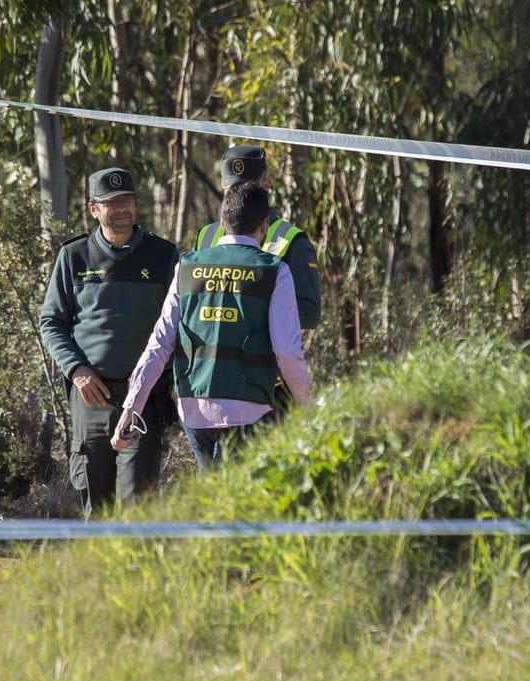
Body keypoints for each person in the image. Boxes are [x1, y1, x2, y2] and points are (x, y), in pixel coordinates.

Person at [112, 181, 311, 469]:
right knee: (240, 504)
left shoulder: (187, 266)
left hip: (195, 409)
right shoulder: (275, 271)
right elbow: (286, 352)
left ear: (222, 223)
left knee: (213, 500)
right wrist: (307, 405)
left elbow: (159, 344)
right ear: (264, 225)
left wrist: (131, 407)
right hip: (249, 408)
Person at [39, 167, 179, 512]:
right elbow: (51, 322)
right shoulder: (74, 257)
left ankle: (133, 568)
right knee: (95, 505)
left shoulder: (163, 256)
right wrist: (77, 370)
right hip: (91, 400)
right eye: (111, 202)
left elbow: (180, 324)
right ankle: (94, 568)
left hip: (144, 399)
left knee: (137, 503)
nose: (121, 209)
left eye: (127, 200)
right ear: (93, 209)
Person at [193, 144, 322, 330]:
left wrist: (251, 305)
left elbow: (309, 314)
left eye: (249, 191)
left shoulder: (292, 241)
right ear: (222, 189)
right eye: (232, 191)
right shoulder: (206, 235)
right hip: (211, 354)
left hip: (261, 355)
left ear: (267, 186)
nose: (240, 198)